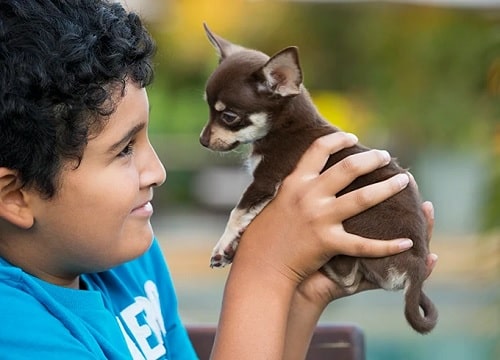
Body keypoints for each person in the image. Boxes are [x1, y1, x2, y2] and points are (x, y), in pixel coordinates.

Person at [0, 1, 437, 359]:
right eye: (124, 149)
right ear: (16, 195)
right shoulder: (17, 333)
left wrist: (301, 294)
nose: (158, 171)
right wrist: (263, 272)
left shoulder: (129, 261)